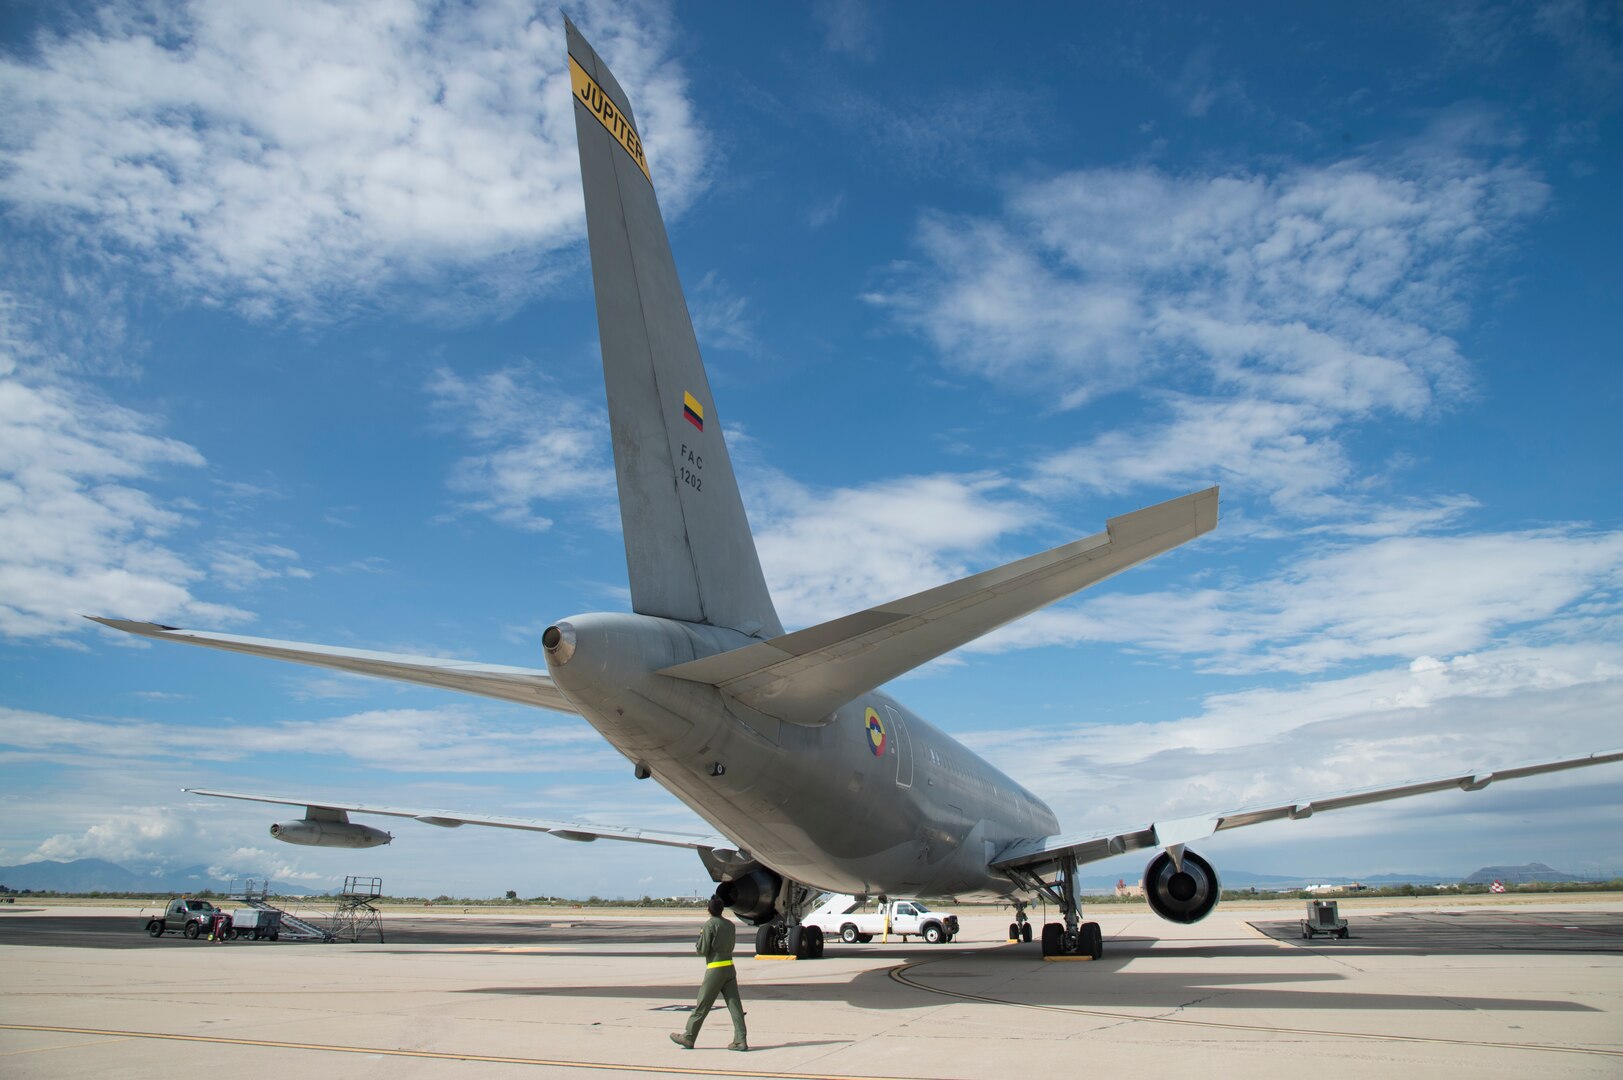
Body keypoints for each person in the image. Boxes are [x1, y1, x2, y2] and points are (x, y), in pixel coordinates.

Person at [670, 895, 748, 1052]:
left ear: (709, 909)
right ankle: (741, 1040)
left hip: (715, 969)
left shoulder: (709, 925)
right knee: (735, 1006)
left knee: (702, 1005)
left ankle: (689, 1036)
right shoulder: (730, 925)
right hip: (730, 968)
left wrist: (698, 943)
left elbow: (703, 950)